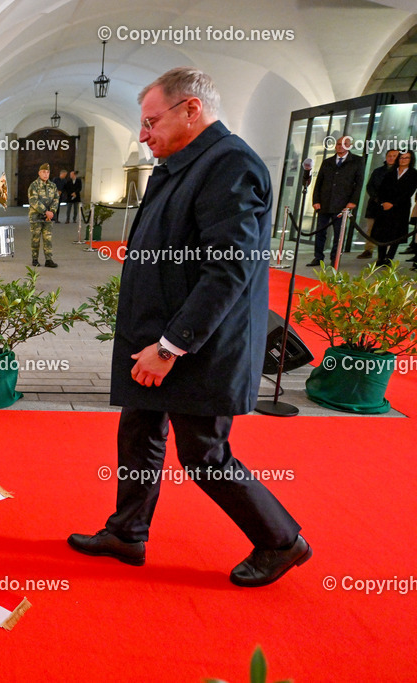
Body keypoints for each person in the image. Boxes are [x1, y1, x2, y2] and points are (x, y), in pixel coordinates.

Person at [66, 67, 309, 588]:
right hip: (155, 337)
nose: (143, 133)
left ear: (191, 109)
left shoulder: (230, 164)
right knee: (139, 434)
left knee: (204, 454)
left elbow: (230, 268)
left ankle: (281, 541)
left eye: (151, 120)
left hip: (198, 345)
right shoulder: (184, 163)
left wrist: (171, 346)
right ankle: (127, 533)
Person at [308, 135, 364, 266]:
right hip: (324, 203)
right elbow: (319, 183)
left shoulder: (357, 161)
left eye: (344, 144)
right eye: (338, 144)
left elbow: (359, 183)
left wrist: (353, 202)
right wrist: (316, 200)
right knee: (320, 232)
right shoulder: (327, 161)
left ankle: (335, 259)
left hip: (343, 204)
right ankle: (318, 257)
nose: (341, 146)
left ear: (349, 146)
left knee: (339, 234)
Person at [371, 150, 417, 267]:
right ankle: (380, 258)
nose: (403, 160)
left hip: (400, 208)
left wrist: (393, 203)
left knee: (396, 234)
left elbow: (408, 192)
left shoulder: (414, 174)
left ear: (411, 160)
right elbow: (381, 189)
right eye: (401, 158)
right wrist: (383, 202)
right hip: (385, 207)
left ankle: (389, 258)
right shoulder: (390, 172)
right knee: (382, 233)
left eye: (406, 158)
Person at [357, 149, 398, 259]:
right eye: (389, 155)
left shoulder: (400, 172)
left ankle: (386, 255)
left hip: (390, 207)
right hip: (375, 205)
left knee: (388, 231)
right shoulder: (378, 171)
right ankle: (368, 250)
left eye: (394, 156)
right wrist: (377, 199)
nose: (391, 158)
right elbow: (370, 186)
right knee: (371, 229)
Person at [28, 163, 59, 267]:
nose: (46, 174)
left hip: (48, 218)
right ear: (39, 173)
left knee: (48, 239)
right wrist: (46, 212)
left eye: (47, 172)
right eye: (43, 172)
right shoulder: (34, 185)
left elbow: (56, 200)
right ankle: (35, 259)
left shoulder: (53, 186)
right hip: (36, 217)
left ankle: (48, 260)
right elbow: (33, 201)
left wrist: (52, 212)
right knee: (35, 239)